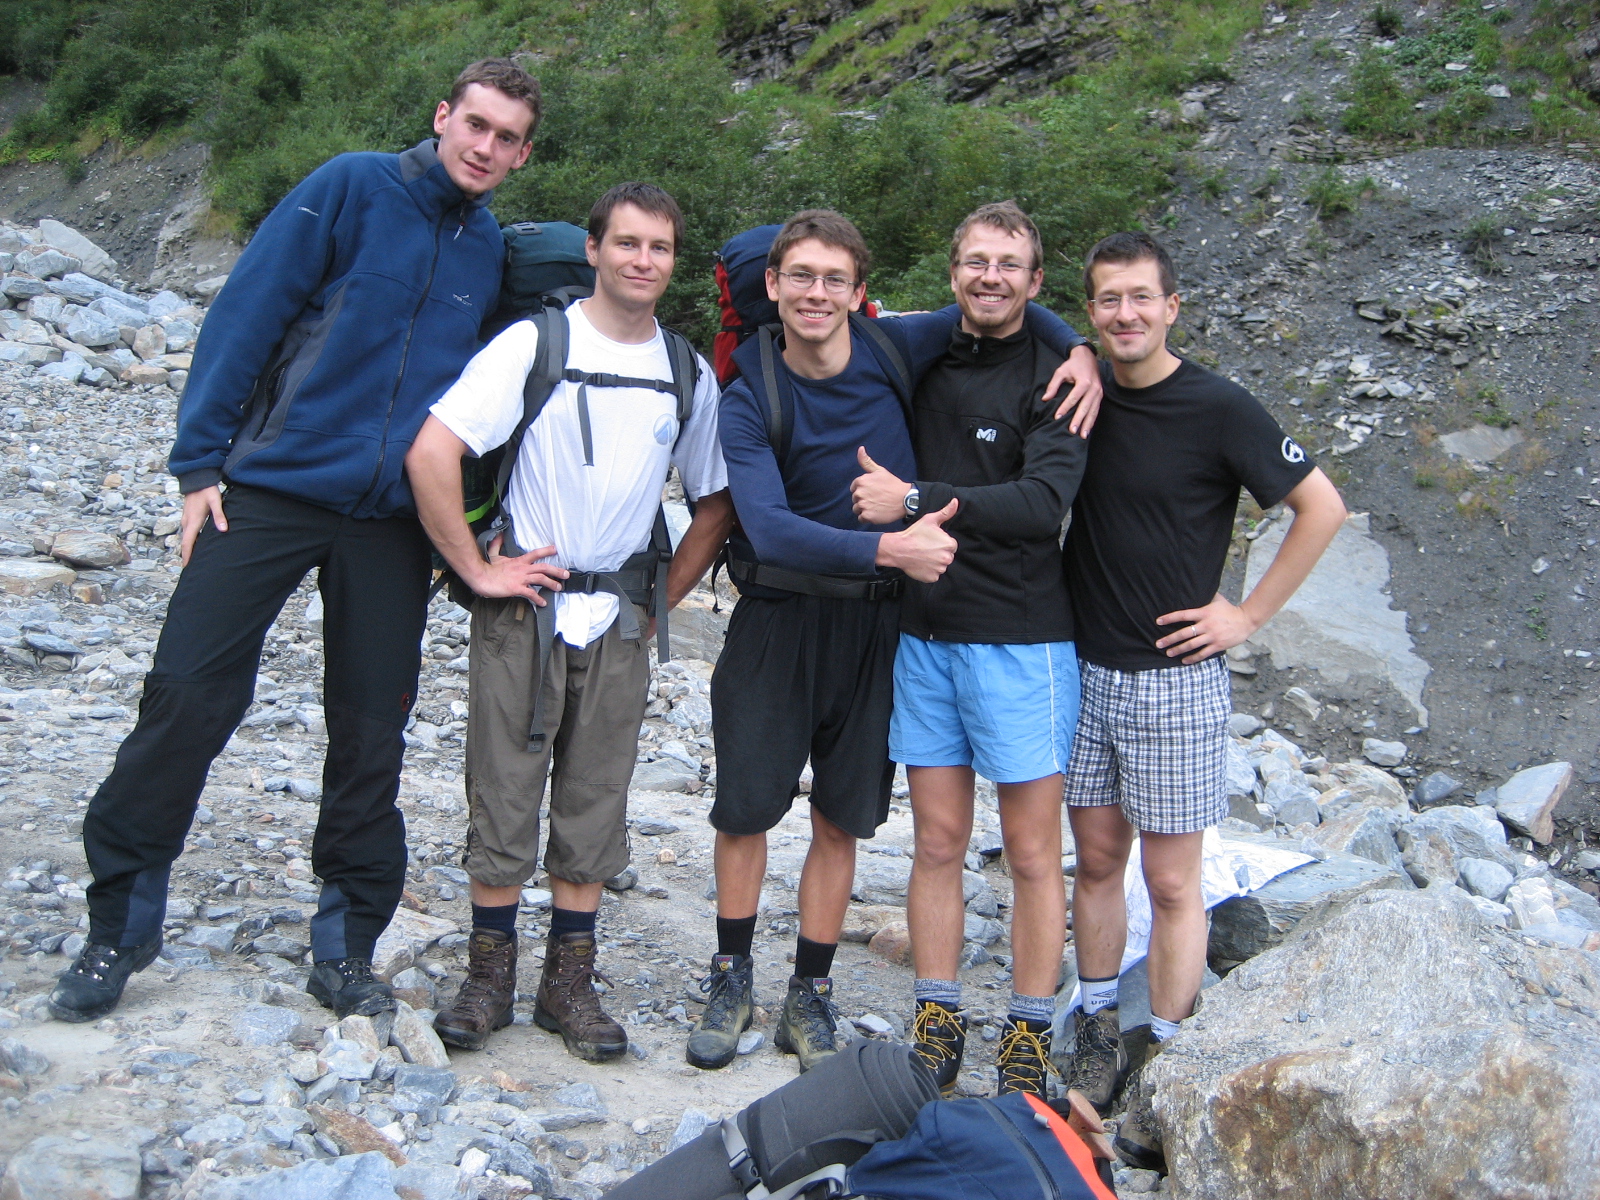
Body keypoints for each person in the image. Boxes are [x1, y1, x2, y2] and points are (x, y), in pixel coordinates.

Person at [49, 59, 543, 1025]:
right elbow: (249, 311)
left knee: (370, 728)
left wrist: (475, 531)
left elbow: (478, 408)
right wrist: (199, 466)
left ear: (523, 156)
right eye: (475, 124)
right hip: (274, 486)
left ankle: (346, 946)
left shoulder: (488, 248)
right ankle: (118, 927)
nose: (485, 147)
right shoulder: (351, 186)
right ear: (443, 116)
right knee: (187, 691)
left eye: (507, 138)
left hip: (391, 521)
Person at [688, 208, 1101, 1075]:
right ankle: (730, 977)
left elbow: (1003, 302)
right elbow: (769, 526)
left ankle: (811, 990)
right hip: (781, 613)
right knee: (745, 808)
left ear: (860, 294)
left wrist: (1081, 348)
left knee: (842, 815)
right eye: (801, 277)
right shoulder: (749, 392)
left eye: (835, 279)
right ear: (772, 285)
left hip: (879, 623)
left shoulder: (892, 345)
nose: (817, 294)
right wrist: (894, 547)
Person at [407, 182, 732, 1061]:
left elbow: (715, 502)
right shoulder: (535, 343)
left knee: (597, 796)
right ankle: (488, 977)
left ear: (673, 261)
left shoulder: (683, 370)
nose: (642, 260)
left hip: (617, 613)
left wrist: (661, 599)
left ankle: (568, 985)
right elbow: (433, 449)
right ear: (593, 250)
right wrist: (476, 569)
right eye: (626, 243)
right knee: (502, 786)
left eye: (658, 247)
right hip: (526, 606)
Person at [1058, 231, 1347, 1171]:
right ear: (1092, 310)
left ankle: (1165, 1057)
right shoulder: (1083, 390)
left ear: (1172, 306)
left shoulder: (1219, 406)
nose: (1126, 314)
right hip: (1084, 670)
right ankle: (1098, 1027)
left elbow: (1322, 507)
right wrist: (1074, 351)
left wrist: (1246, 614)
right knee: (1097, 865)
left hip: (1176, 682)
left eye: (1142, 297)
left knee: (1175, 883)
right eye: (1109, 300)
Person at [850, 201, 1087, 1100]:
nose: (991, 277)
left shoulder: (1057, 377)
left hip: (1023, 642)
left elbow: (1042, 505)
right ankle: (938, 1016)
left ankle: (1026, 1032)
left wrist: (916, 499)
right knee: (939, 841)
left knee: (1031, 853)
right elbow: (829, 322)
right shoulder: (921, 351)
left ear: (1035, 280)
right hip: (925, 636)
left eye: (1010, 264)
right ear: (953, 271)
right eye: (977, 261)